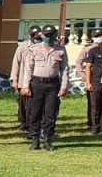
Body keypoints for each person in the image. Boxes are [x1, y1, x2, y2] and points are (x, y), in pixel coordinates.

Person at [21, 23, 68, 151]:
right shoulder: (34, 49)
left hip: (53, 85)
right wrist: (25, 86)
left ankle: (48, 139)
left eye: (51, 35)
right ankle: (35, 139)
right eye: (46, 35)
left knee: (50, 114)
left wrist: (64, 86)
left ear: (55, 35)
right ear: (42, 35)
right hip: (37, 84)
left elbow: (64, 69)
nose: (48, 37)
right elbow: (28, 69)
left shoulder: (61, 49)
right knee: (34, 113)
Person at [10, 25, 40, 133]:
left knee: (34, 103)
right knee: (23, 103)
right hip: (23, 79)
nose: (35, 38)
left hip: (37, 80)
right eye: (33, 35)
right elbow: (16, 63)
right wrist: (15, 79)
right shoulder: (23, 47)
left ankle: (33, 123)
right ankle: (24, 122)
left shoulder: (42, 47)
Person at [82, 27, 102, 135]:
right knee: (95, 106)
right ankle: (95, 127)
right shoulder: (94, 50)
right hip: (96, 81)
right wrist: (88, 82)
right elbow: (88, 67)